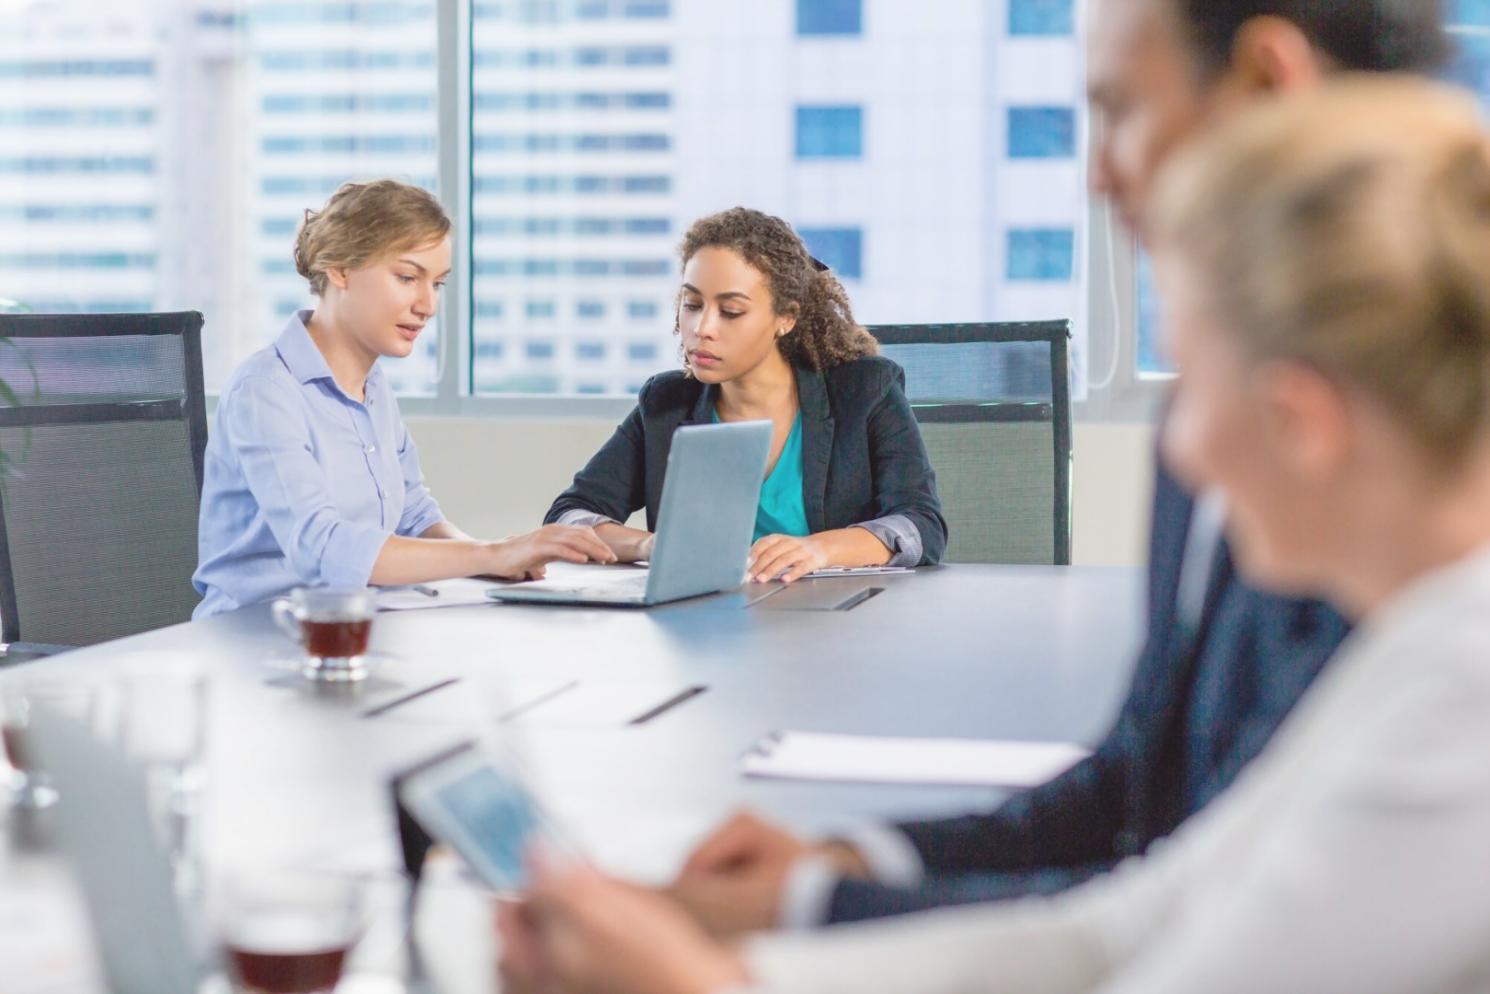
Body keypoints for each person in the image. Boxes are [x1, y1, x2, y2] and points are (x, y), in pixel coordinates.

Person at [500, 76, 1490, 994]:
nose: (1178, 456)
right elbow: (1122, 924)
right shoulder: (1407, 652)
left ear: (1300, 422)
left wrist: (697, 982)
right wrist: (789, 916)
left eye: (1190, 378)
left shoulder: (1457, 701)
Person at [193, 179, 613, 618]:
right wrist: (489, 554)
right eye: (408, 277)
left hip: (356, 629)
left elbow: (413, 515)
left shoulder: (372, 386)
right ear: (340, 269)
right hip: (256, 642)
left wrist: (504, 558)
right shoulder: (265, 392)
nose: (427, 304)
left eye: (438, 284)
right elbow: (323, 549)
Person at [545, 207, 946, 582]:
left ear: (786, 317)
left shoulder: (864, 390)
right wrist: (651, 545)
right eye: (692, 304)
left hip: (836, 625)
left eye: (731, 311)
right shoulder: (666, 404)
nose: (703, 328)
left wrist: (819, 550)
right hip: (705, 632)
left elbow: (919, 525)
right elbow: (569, 515)